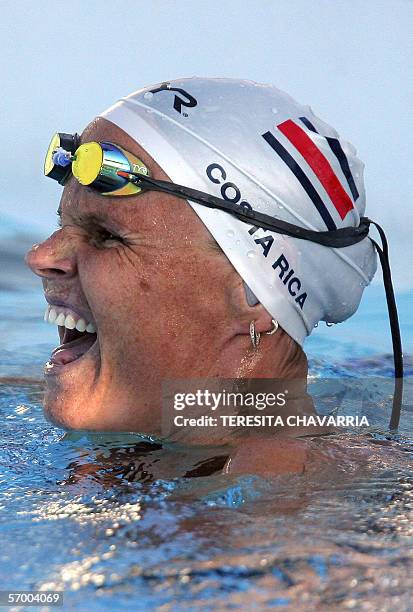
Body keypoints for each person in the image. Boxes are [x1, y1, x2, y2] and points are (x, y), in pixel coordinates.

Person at [25, 77, 378, 475]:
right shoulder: (159, 438)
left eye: (107, 236)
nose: (41, 256)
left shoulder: (289, 512)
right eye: (63, 225)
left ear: (255, 295)